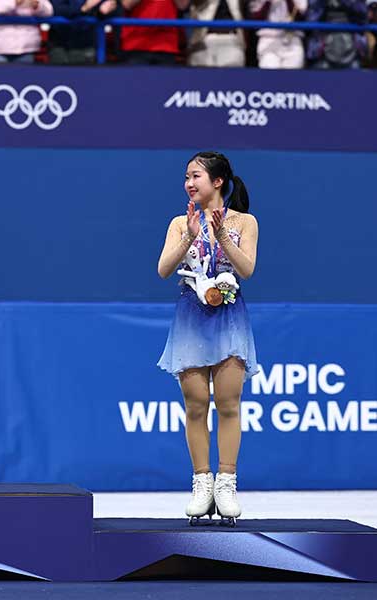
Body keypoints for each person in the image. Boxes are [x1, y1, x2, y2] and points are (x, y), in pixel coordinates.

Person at [156, 152, 260, 526]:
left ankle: (226, 484)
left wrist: (221, 239)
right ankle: (201, 484)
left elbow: (246, 269)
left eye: (195, 176)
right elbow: (164, 269)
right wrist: (189, 236)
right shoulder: (179, 222)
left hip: (229, 319)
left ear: (217, 181)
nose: (188, 183)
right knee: (196, 404)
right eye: (186, 176)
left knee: (229, 403)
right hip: (191, 319)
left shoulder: (244, 222)